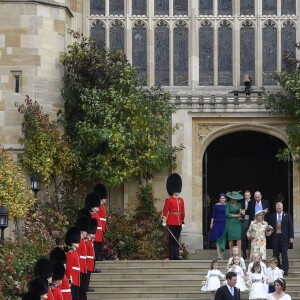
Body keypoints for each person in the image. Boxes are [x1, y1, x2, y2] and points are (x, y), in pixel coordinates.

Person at [162, 173, 185, 260]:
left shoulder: (181, 200)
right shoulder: (169, 200)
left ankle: (176, 255)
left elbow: (183, 211)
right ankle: (171, 255)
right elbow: (165, 211)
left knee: (176, 239)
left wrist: (183, 221)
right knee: (171, 239)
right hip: (171, 221)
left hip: (179, 222)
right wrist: (164, 221)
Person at [269, 202, 294, 276]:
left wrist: (291, 237)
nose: (278, 210)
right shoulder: (272, 216)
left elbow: (290, 227)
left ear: (282, 208)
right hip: (275, 237)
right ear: (275, 208)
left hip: (284, 238)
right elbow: (269, 226)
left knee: (284, 254)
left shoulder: (287, 215)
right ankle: (277, 268)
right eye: (277, 208)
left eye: (280, 208)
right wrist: (269, 227)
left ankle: (285, 270)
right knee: (275, 253)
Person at [217, 191, 243, 255]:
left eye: (234, 198)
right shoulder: (228, 204)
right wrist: (236, 215)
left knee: (238, 239)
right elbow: (227, 214)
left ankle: (239, 255)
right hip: (230, 223)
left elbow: (240, 213)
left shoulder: (239, 204)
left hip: (238, 223)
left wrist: (242, 213)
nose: (233, 199)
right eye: (232, 198)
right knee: (231, 239)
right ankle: (231, 255)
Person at [65, 226, 81, 300]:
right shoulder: (70, 253)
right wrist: (69, 280)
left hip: (76, 279)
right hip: (72, 280)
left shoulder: (74, 252)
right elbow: (68, 269)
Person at [209, 193, 227, 259]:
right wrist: (211, 223)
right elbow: (213, 215)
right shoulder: (216, 205)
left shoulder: (227, 206)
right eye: (221, 198)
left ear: (225, 199)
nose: (222, 199)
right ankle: (219, 255)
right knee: (217, 239)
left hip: (224, 223)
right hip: (216, 223)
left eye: (223, 198)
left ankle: (222, 254)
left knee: (223, 239)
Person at [94, 183, 108, 260]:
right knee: (97, 243)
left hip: (101, 227)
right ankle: (97, 256)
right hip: (98, 228)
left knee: (100, 243)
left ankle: (99, 255)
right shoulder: (98, 205)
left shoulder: (101, 205)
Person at [241, 190, 252, 259]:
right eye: (245, 195)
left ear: (250, 196)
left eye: (248, 195)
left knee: (251, 237)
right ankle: (244, 252)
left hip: (251, 221)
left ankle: (250, 253)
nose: (247, 196)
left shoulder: (253, 202)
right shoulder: (241, 203)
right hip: (244, 221)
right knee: (243, 237)